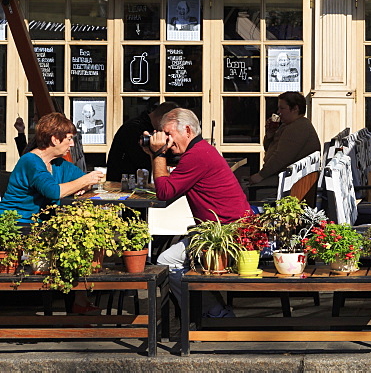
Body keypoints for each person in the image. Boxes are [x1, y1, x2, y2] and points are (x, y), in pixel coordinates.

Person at [150, 108, 251, 319]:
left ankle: (213, 312)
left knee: (167, 261)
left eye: (169, 134)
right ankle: (212, 309)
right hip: (225, 230)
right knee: (173, 258)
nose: (166, 140)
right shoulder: (201, 151)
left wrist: (158, 154)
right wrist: (155, 152)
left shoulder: (197, 156)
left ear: (187, 130)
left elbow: (164, 192)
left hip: (228, 235)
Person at [0, 113, 103, 314]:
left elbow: (82, 179)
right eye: (69, 138)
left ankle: (78, 302)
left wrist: (86, 183)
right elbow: (53, 191)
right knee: (74, 236)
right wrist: (83, 182)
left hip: (38, 226)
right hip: (17, 226)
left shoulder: (58, 164)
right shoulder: (31, 161)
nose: (72, 145)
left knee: (80, 233)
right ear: (55, 139)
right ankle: (78, 303)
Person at [245, 91, 321, 189]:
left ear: (295, 109)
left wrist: (260, 175)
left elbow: (280, 158)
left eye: (282, 108)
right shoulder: (287, 125)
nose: (278, 112)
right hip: (287, 177)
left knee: (244, 187)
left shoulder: (298, 127)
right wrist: (270, 134)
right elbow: (270, 149)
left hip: (291, 181)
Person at [105, 101, 178, 182]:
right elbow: (142, 161)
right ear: (162, 119)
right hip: (124, 181)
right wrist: (162, 154)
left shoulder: (139, 125)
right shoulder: (134, 129)